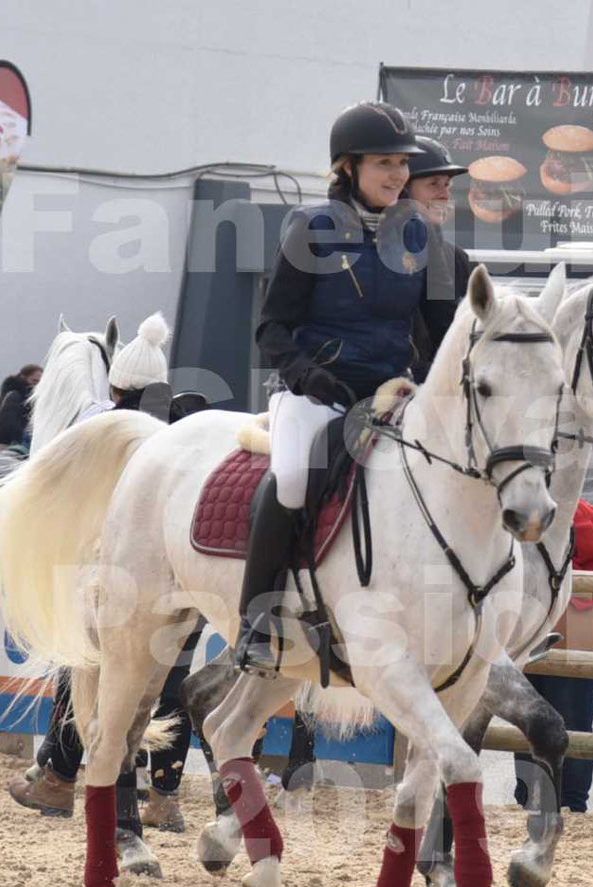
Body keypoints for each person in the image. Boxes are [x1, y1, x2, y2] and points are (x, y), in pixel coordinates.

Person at [237, 101, 458, 668]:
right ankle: (256, 623)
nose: (397, 175)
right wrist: (307, 374)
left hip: (389, 395)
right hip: (315, 393)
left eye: (402, 164)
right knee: (290, 480)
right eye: (384, 163)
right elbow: (271, 326)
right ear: (348, 168)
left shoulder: (419, 239)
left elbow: (442, 333)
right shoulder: (309, 229)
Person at [9, 314, 197, 831]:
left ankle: (65, 784)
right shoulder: (187, 428)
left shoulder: (103, 429)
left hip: (117, 573)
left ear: (115, 383)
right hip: (184, 573)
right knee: (169, 681)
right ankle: (165, 796)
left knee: (92, 672)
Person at [514, 499, 593, 812]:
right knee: (539, 720)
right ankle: (538, 797)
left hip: (568, 626)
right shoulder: (577, 512)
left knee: (563, 721)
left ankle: (565, 801)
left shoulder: (578, 512)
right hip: (537, 627)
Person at [402, 136, 472, 381]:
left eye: (447, 185)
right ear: (403, 190)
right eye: (434, 184)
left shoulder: (457, 258)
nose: (445, 195)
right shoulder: (379, 251)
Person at [0, 364, 42, 454]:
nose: (36, 386)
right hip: (5, 447)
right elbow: (7, 425)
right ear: (23, 377)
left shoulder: (20, 398)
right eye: (34, 381)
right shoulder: (15, 396)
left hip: (9, 446)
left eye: (40, 382)